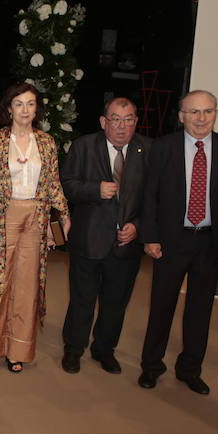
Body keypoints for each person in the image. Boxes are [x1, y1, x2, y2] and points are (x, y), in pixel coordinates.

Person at [137, 90, 218, 395]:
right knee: (161, 307)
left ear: (216, 114)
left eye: (207, 111)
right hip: (172, 241)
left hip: (210, 241)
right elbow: (150, 196)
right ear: (181, 115)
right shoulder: (163, 147)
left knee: (200, 310)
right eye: (193, 112)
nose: (200, 118)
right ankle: (151, 366)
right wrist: (151, 237)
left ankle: (190, 369)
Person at [0, 83, 70, 373]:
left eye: (31, 104)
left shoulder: (46, 142)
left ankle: (17, 350)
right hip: (2, 217)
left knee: (27, 287)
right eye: (19, 104)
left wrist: (63, 214)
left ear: (37, 109)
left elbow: (52, 183)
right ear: (9, 108)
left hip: (35, 218)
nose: (25, 110)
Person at [60, 97, 152, 374]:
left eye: (128, 119)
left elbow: (156, 197)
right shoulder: (84, 146)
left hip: (127, 243)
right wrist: (94, 190)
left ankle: (104, 349)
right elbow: (66, 185)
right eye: (115, 119)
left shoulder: (148, 150)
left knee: (116, 302)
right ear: (104, 122)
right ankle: (74, 349)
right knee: (82, 299)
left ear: (136, 121)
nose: (122, 126)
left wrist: (138, 225)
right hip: (89, 238)